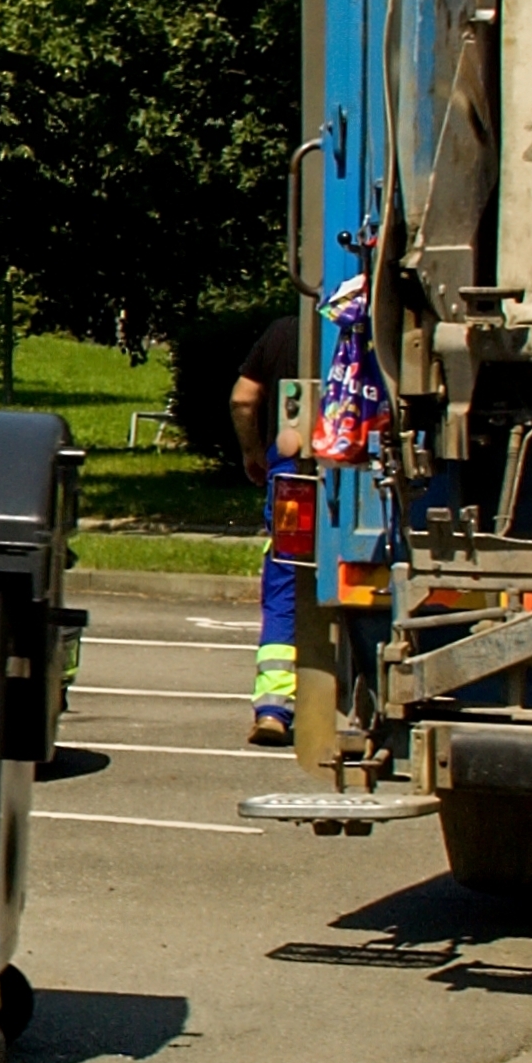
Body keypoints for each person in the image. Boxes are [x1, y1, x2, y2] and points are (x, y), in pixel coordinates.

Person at [231, 311, 307, 747]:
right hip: (366, 471)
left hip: (294, 476)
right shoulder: (376, 325)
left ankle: (273, 709)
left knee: (285, 584)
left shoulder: (282, 331)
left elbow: (243, 399)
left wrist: (254, 452)